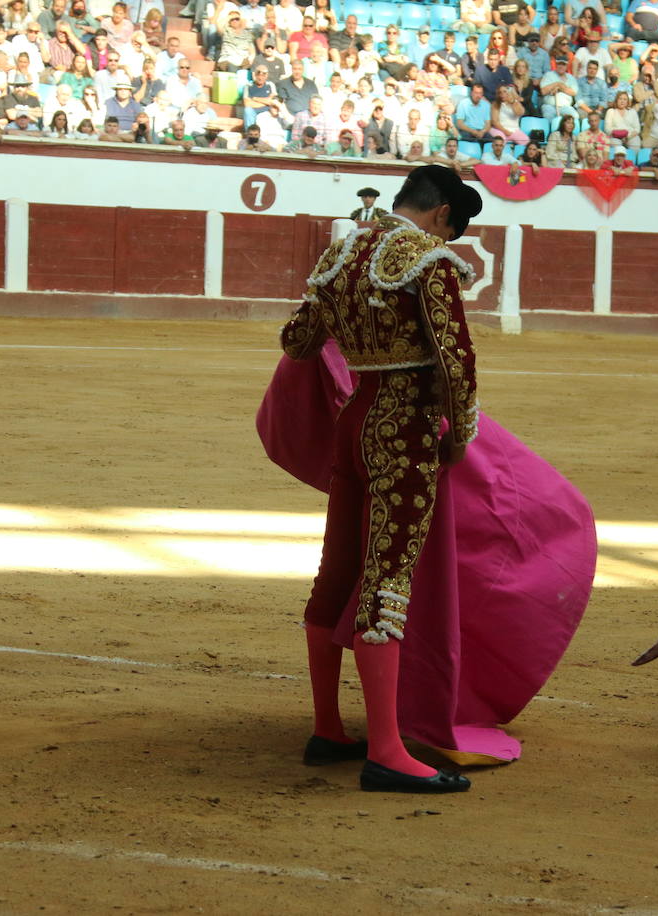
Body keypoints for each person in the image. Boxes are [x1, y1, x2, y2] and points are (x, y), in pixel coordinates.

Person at [283, 166, 484, 794]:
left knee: (337, 568)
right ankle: (388, 752)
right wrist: (461, 433)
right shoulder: (429, 260)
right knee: (387, 577)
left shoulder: (342, 252)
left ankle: (327, 728)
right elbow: (455, 359)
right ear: (443, 213)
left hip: (355, 420)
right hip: (405, 429)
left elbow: (297, 341)